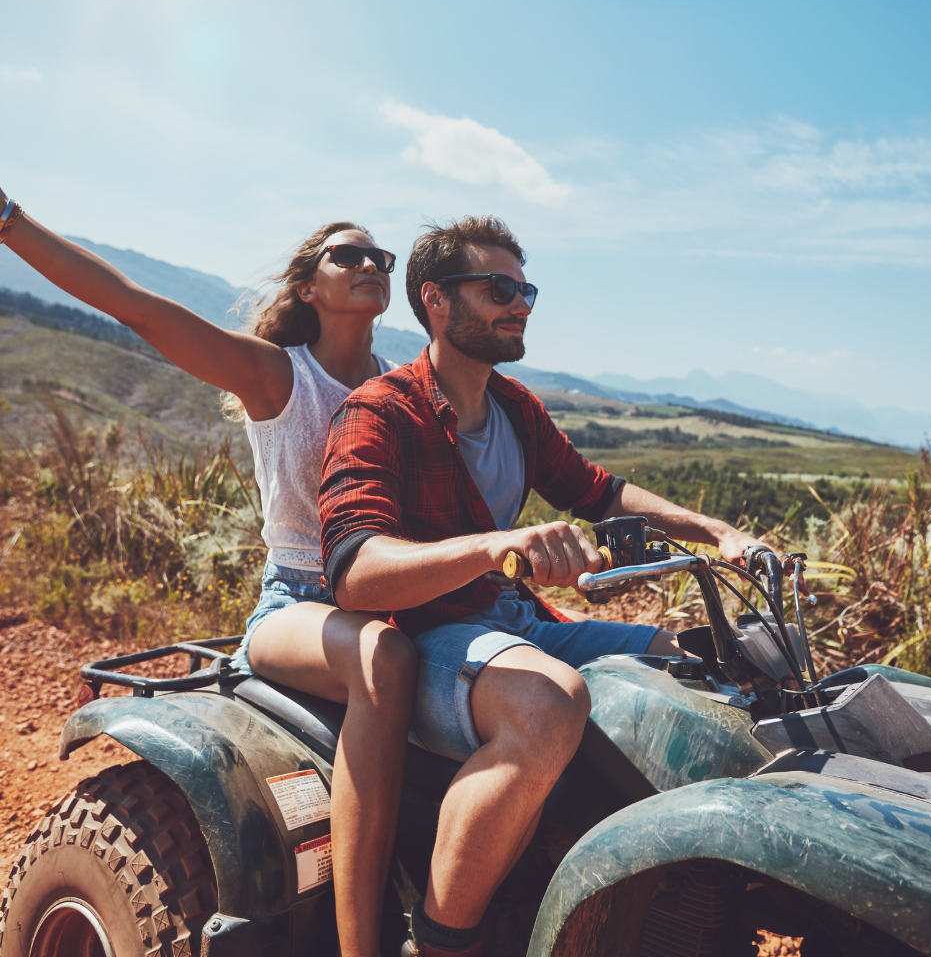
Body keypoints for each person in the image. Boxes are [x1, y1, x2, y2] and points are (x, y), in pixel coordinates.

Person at [318, 216, 763, 957]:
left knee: (687, 668)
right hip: (426, 632)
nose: (519, 303)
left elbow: (601, 493)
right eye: (499, 288)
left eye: (525, 289)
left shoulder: (516, 410)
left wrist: (720, 534)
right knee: (547, 701)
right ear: (435, 299)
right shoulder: (379, 411)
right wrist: (496, 546)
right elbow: (356, 573)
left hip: (515, 624)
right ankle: (439, 942)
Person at [0, 191, 414, 957]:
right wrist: (10, 221)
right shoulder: (276, 376)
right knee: (386, 664)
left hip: (393, 595)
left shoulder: (402, 387)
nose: (368, 265)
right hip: (302, 603)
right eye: (346, 255)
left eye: (379, 257)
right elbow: (139, 309)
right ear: (307, 289)